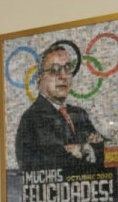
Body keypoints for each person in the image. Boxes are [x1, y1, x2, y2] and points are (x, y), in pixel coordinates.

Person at [15, 43, 105, 172]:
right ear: (39, 78)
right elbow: (34, 164)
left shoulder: (79, 114)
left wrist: (82, 149)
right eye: (54, 70)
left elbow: (111, 153)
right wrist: (87, 150)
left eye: (67, 68)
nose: (63, 76)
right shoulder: (31, 118)